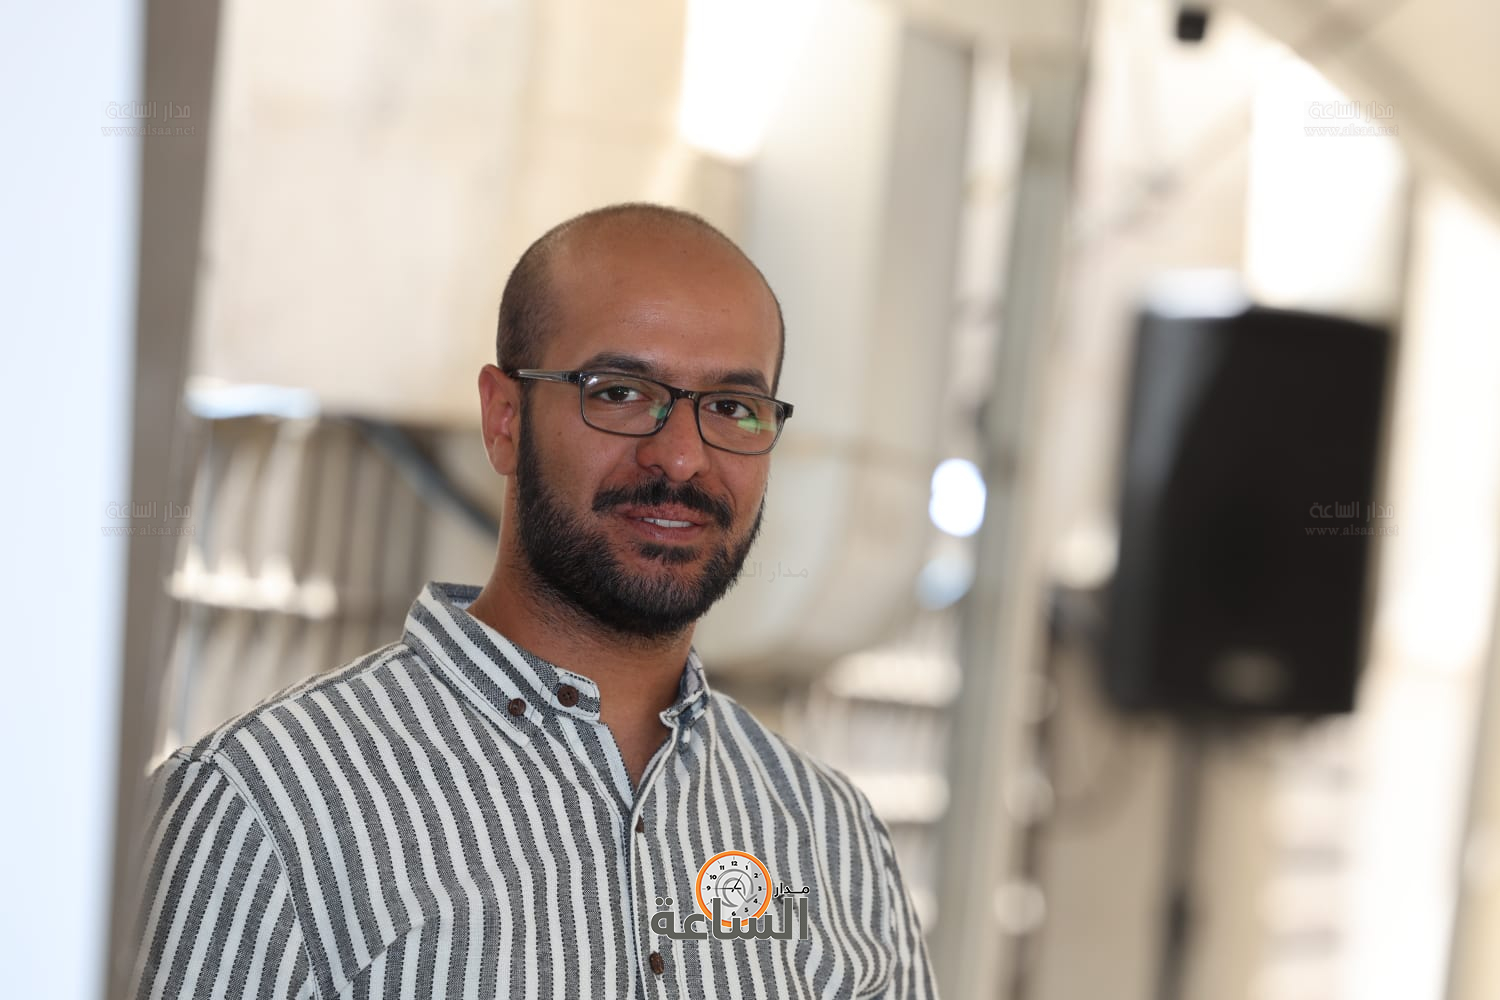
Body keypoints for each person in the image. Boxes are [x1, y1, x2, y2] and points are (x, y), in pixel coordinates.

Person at [128, 203, 937, 998]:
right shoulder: (264, 808)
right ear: (505, 418)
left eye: (732, 408)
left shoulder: (832, 839)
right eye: (619, 392)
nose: (683, 457)